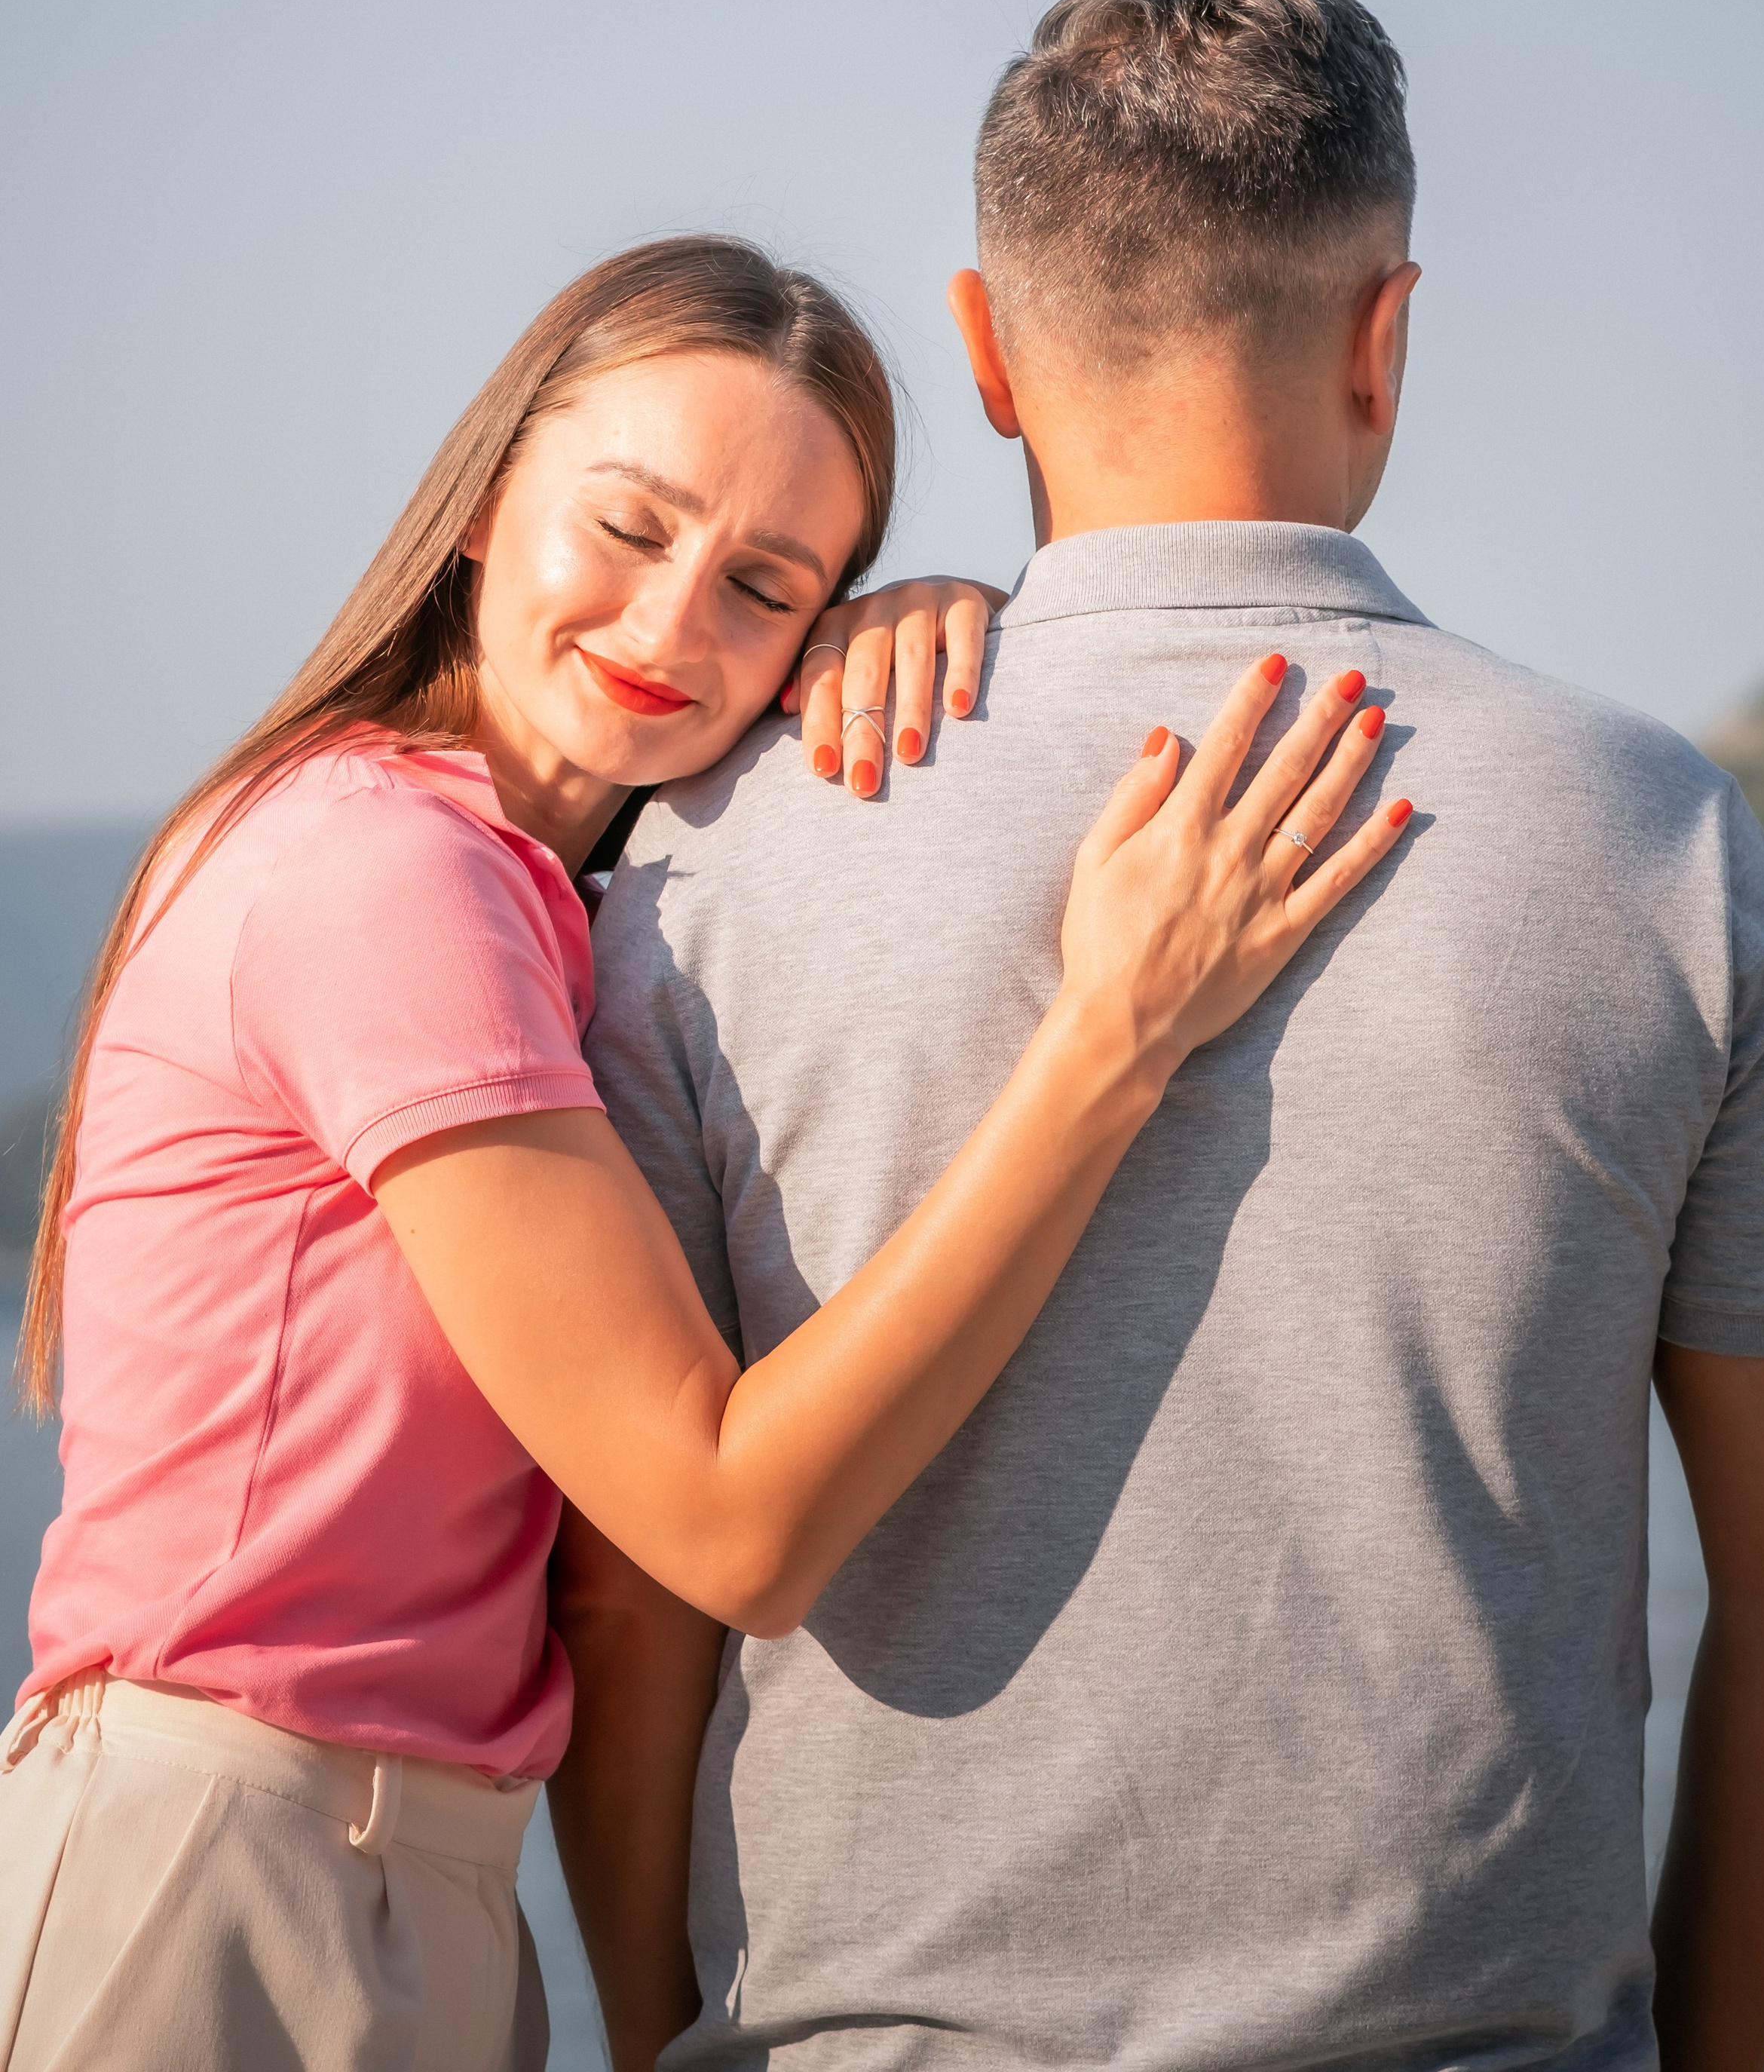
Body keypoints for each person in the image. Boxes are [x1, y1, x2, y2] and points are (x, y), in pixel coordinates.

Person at [590, 0, 1764, 2072]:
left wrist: (677, 2029)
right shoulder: (1658, 837)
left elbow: (626, 1596)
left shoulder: (714, 852)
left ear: (986, 355)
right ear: (1387, 336)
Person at [0, 233, 1413, 2072]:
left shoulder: (517, 886)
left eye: (763, 582)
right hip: (220, 1871)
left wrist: (914, 632)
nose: (672, 631)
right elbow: (723, 1522)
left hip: (379, 1866)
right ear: (487, 495)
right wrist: (1111, 1033)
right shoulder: (384, 877)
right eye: (629, 527)